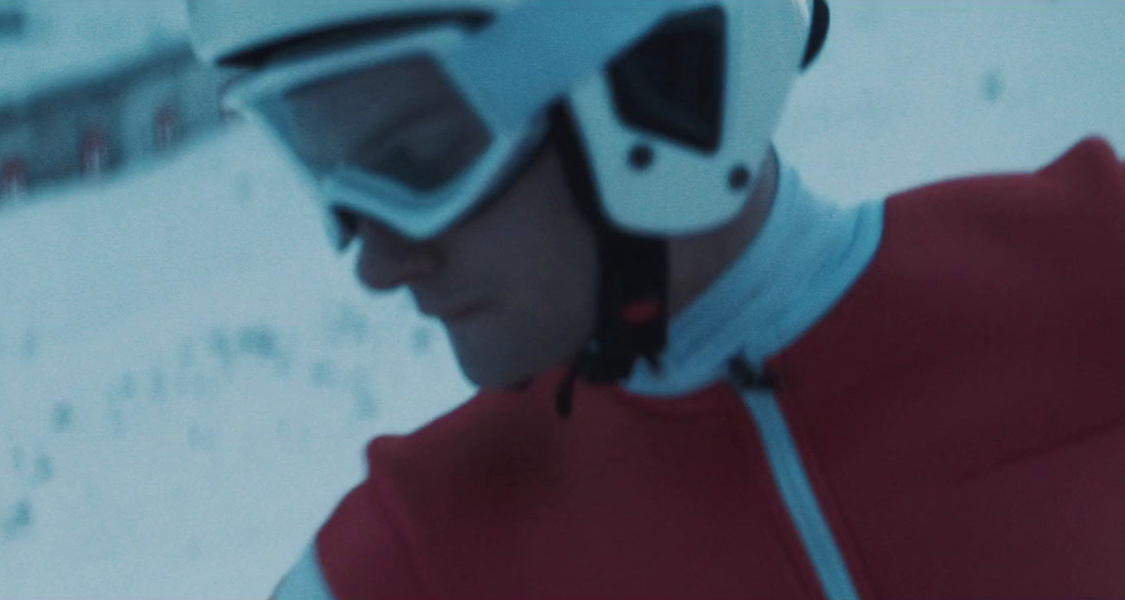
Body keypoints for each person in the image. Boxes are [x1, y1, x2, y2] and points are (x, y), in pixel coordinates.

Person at [187, 0, 1125, 597]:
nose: (378, 263)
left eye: (424, 159)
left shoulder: (1093, 272)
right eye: (330, 172)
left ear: (667, 79)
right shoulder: (409, 563)